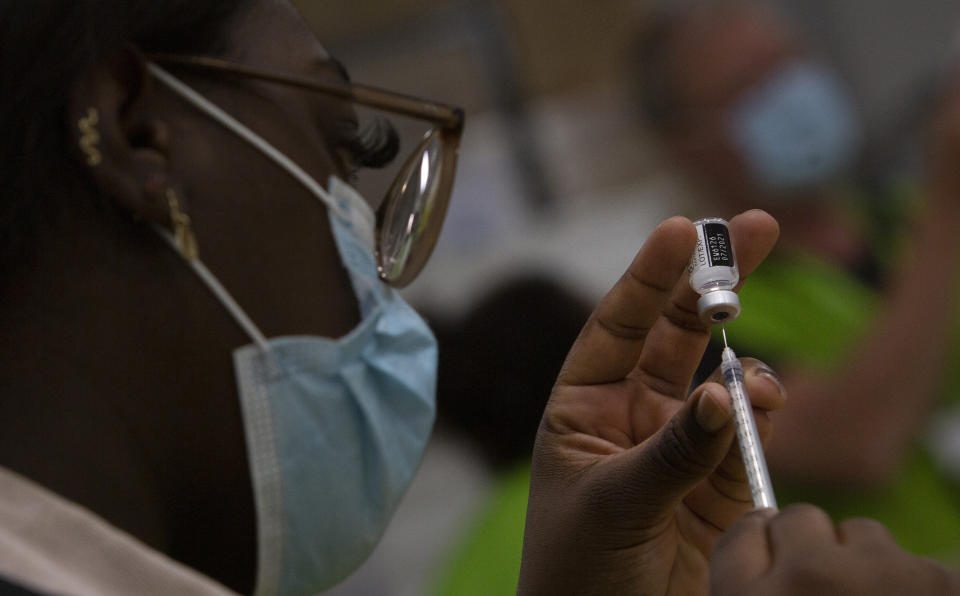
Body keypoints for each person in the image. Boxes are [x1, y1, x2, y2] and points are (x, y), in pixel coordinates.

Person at [0, 2, 952, 596]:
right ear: (138, 134)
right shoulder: (740, 303)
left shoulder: (894, 227)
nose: (386, 292)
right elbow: (859, 435)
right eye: (345, 146)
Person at [633, 0, 960, 559]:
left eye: (787, 64)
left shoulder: (903, 221)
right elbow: (852, 443)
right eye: (749, 86)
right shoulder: (694, 321)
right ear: (687, 142)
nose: (788, 93)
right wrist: (949, 205)